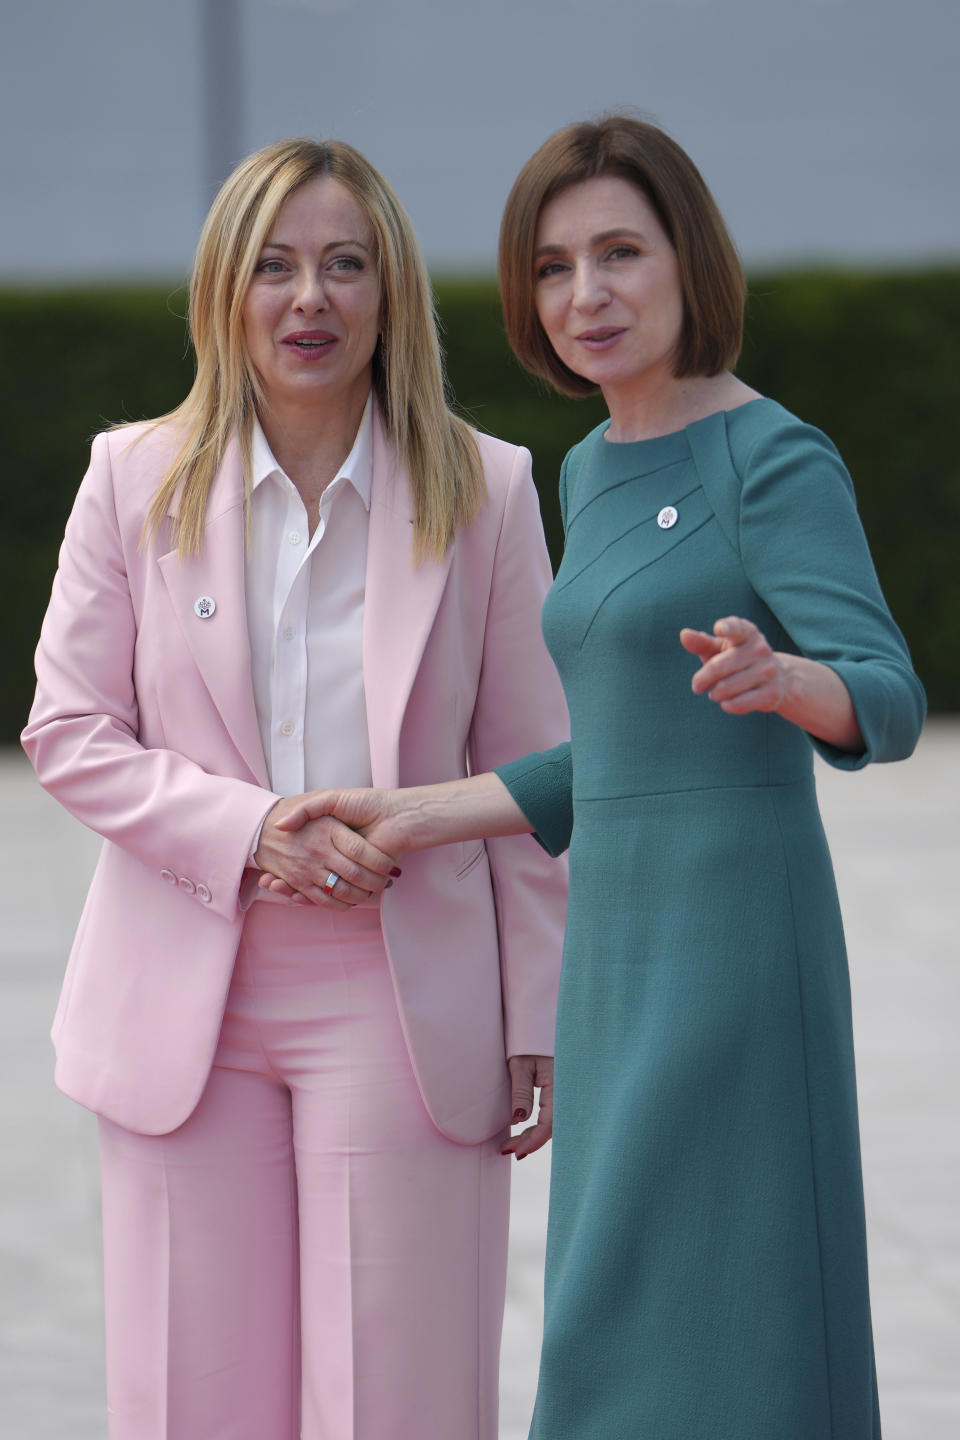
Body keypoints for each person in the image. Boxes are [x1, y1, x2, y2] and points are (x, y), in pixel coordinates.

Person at [260, 118, 927, 1439]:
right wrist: (419, 812)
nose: (588, 295)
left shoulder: (771, 456)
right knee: (613, 1300)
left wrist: (791, 680)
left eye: (619, 253)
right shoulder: (592, 467)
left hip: (736, 943)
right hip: (616, 953)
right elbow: (615, 746)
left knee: (728, 1304)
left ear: (690, 263)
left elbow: (889, 690)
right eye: (555, 267)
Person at [21, 136, 569, 1440]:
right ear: (226, 291)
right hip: (180, 1011)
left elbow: (538, 764)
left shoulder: (487, 489)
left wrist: (541, 1005)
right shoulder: (132, 476)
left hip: (407, 998)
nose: (309, 297)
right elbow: (70, 728)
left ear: (391, 294)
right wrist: (253, 829)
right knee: (191, 1402)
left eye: (343, 265)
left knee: (404, 1400)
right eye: (274, 266)